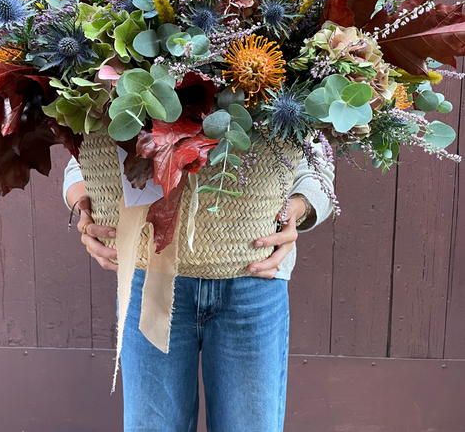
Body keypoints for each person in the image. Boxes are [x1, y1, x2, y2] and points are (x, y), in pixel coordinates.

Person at [63, 142, 333, 432]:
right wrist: (86, 210)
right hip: (152, 274)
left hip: (253, 278)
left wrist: (297, 209)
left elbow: (317, 167)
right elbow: (86, 157)